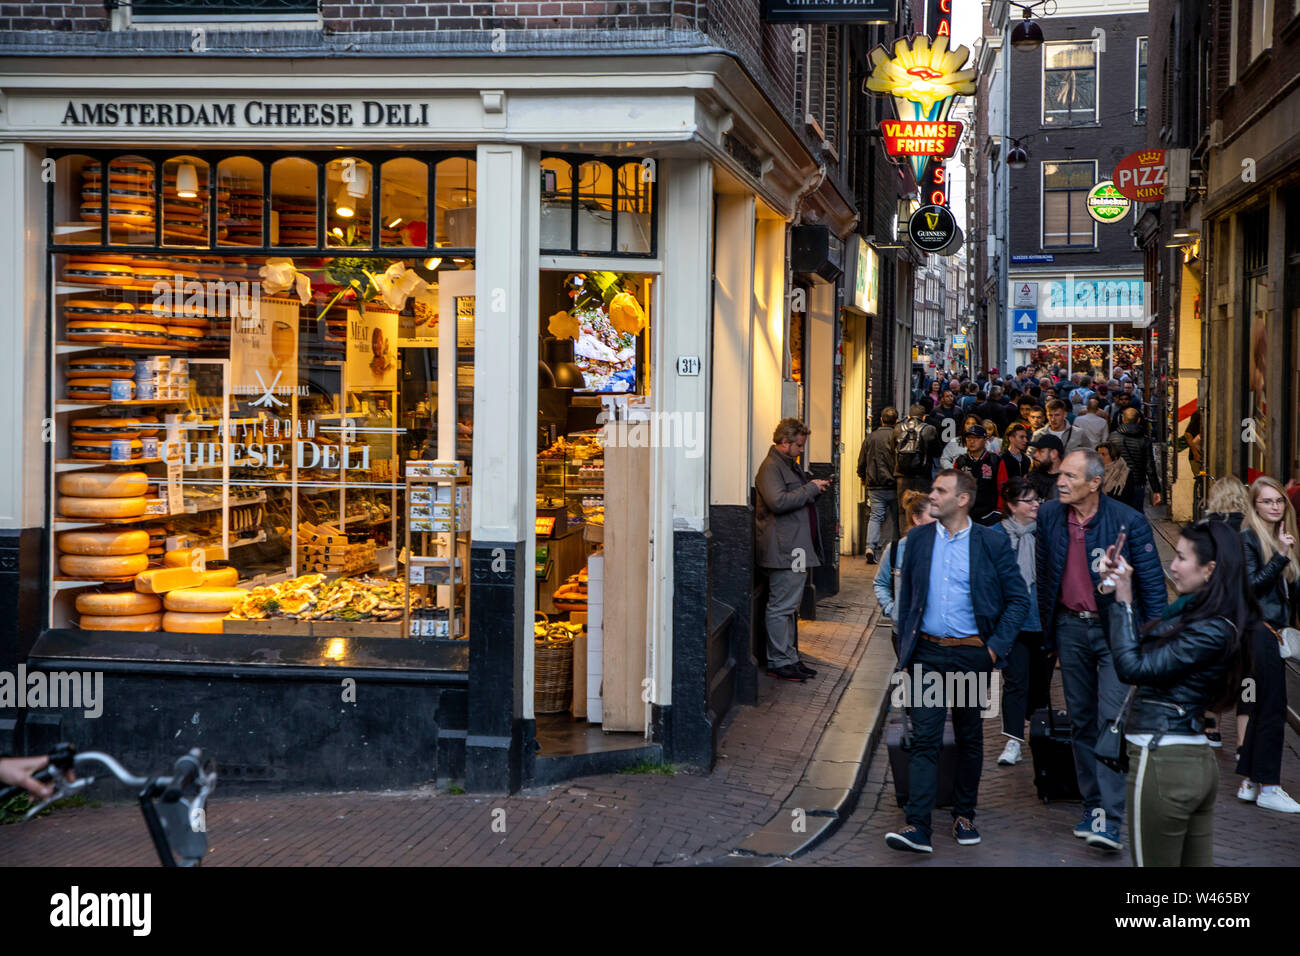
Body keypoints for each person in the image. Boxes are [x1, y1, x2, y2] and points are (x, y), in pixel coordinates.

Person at [884, 470, 1030, 853]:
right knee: (926, 738)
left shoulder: (991, 543)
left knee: (968, 736)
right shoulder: (916, 540)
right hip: (928, 654)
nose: (932, 494)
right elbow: (907, 599)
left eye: (940, 490)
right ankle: (917, 826)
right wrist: (905, 651)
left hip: (970, 655)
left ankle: (964, 815)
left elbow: (1018, 599)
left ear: (962, 499)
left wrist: (993, 650)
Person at [1036, 449, 1167, 852]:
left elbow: (1152, 588)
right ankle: (1092, 805)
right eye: (1060, 474)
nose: (1060, 480)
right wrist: (1049, 634)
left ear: (1095, 483)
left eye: (1071, 476)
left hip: (1115, 633)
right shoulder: (1048, 516)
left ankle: (1110, 819)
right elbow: (1045, 575)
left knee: (1112, 719)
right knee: (1081, 720)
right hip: (1070, 628)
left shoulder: (1128, 521)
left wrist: (1154, 640)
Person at [1106, 521, 1255, 866]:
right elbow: (1147, 647)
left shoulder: (1210, 626)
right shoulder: (1202, 616)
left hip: (1162, 757)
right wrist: (1119, 588)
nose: (1172, 566)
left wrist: (1124, 600)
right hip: (1188, 756)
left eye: (1180, 557)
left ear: (1209, 569)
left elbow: (1133, 668)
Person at [1236, 476, 1300, 812]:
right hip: (1258, 630)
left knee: (1262, 707)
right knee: (1273, 708)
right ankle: (1270, 787)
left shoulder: (1286, 538)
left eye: (1279, 501)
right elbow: (1252, 587)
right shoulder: (1249, 539)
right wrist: (1279, 557)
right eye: (1267, 502)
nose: (1275, 507)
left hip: (1275, 631)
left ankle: (1249, 780)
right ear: (1254, 505)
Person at [755, 417, 829, 682]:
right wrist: (810, 488)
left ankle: (789, 657)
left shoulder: (788, 465)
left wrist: (813, 488)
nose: (801, 450)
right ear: (784, 442)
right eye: (798, 445)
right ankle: (779, 660)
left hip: (796, 548)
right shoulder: (770, 468)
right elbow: (777, 502)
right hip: (785, 549)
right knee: (781, 607)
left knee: (790, 606)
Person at [996, 476, 1048, 766]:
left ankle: (1039, 735)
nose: (1035, 505)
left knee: (1039, 686)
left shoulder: (1047, 534)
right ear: (1012, 505)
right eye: (1029, 500)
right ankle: (1013, 740)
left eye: (1037, 499)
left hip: (1042, 622)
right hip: (1011, 624)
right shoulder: (995, 535)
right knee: (1015, 682)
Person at [874, 490, 935, 626]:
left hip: (932, 632)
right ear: (917, 519)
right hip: (903, 629)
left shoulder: (943, 549)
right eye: (933, 514)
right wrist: (892, 610)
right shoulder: (896, 550)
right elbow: (880, 583)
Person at [857, 406, 900, 564]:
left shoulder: (871, 437)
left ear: (881, 419)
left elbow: (862, 461)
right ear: (896, 421)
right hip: (894, 484)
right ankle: (892, 551)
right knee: (895, 518)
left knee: (875, 516)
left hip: (874, 485)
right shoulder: (898, 437)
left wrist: (863, 476)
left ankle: (870, 547)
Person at [1111, 407, 1163, 510]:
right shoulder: (1145, 440)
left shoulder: (1113, 437)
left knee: (1118, 512)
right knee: (1136, 513)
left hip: (1117, 481)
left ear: (1123, 419)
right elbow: (1149, 466)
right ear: (1138, 420)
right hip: (1138, 482)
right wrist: (1156, 490)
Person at [954, 424, 1002, 526]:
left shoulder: (995, 460)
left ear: (985, 439)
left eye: (976, 438)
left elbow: (1002, 487)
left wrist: (998, 511)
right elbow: (955, 488)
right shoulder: (960, 461)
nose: (971, 441)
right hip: (965, 516)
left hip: (990, 515)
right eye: (969, 438)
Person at [894, 404, 938, 515]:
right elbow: (937, 451)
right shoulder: (930, 429)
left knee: (904, 509)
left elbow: (892, 448)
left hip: (902, 474)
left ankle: (905, 531)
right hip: (923, 474)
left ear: (909, 416)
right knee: (923, 508)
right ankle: (921, 531)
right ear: (923, 417)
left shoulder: (898, 428)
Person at [1026, 433, 1064, 503]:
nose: (1034, 455)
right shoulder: (1032, 477)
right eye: (1036, 450)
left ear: (1054, 454)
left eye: (1041, 451)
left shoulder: (1066, 482)